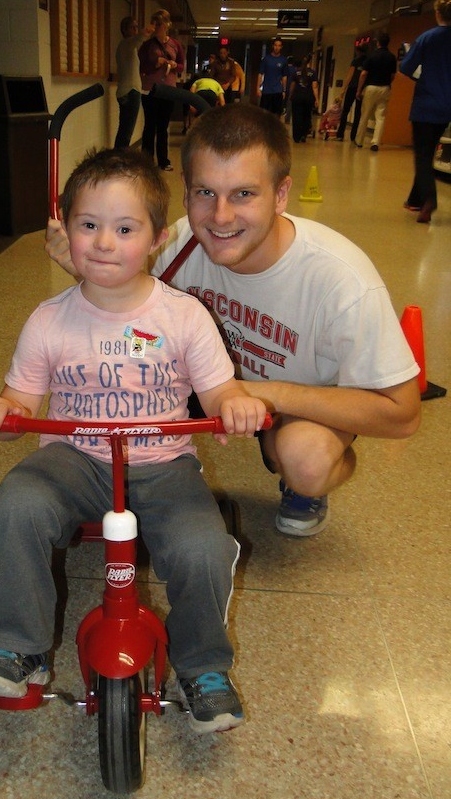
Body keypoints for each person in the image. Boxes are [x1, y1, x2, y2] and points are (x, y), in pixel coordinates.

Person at [0, 147, 267, 736]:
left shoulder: (184, 316)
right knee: (19, 503)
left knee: (204, 548)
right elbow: (20, 403)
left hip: (163, 463)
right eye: (88, 225)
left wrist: (237, 407)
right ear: (64, 229)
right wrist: (0, 411)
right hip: (75, 456)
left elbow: (221, 390)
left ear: (158, 237)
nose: (104, 242)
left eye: (125, 229)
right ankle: (15, 648)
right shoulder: (48, 319)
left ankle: (203, 669)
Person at [45, 106, 421, 539]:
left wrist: (264, 394)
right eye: (206, 192)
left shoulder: (342, 280)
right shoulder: (178, 242)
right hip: (199, 389)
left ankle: (305, 487)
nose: (220, 217)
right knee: (116, 370)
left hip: (293, 408)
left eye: (244, 194)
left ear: (281, 195)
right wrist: (82, 266)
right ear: (185, 191)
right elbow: (125, 320)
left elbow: (403, 415)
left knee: (308, 460)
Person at [399, 0, 451, 224]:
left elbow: (406, 67)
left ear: (438, 13)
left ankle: (429, 199)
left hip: (426, 105)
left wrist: (424, 78)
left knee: (422, 155)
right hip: (446, 107)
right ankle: (415, 199)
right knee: (429, 152)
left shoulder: (427, 38)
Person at [138, 10, 184, 171]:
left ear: (166, 25)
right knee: (149, 125)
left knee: (163, 126)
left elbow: (181, 66)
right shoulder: (147, 46)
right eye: (154, 23)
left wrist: (172, 65)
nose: (156, 27)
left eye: (159, 23)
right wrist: (156, 64)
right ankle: (147, 161)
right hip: (150, 89)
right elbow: (142, 66)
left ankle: (163, 160)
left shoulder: (175, 44)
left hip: (168, 90)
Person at [113, 15, 153, 149]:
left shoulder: (129, 47)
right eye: (132, 27)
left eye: (137, 27)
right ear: (124, 30)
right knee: (126, 132)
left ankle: (118, 159)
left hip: (129, 91)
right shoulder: (126, 44)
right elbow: (137, 39)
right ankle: (118, 161)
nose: (135, 30)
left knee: (124, 130)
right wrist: (144, 33)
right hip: (130, 92)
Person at [354, 32, 397, 151]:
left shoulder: (371, 56)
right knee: (380, 117)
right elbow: (393, 75)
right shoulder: (392, 57)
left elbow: (363, 74)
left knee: (365, 114)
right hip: (385, 87)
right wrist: (388, 84)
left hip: (371, 87)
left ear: (378, 43)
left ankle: (359, 141)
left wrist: (359, 90)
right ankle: (375, 142)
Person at [336, 41, 369, 142]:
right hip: (363, 89)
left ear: (358, 51)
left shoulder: (355, 61)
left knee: (345, 111)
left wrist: (343, 90)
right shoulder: (368, 61)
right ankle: (353, 136)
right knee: (358, 113)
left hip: (352, 88)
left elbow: (350, 76)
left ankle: (340, 134)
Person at [289, 56, 319, 143]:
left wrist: (290, 95)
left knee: (296, 117)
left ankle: (296, 136)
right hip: (308, 98)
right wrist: (317, 99)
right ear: (310, 62)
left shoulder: (296, 72)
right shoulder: (313, 73)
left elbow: (292, 86)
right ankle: (303, 134)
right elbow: (315, 87)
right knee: (306, 116)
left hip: (297, 97)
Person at [257, 38, 287, 116]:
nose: (277, 47)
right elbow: (260, 74)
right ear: (273, 46)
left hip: (277, 90)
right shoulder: (266, 59)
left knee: (277, 113)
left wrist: (284, 90)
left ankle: (275, 128)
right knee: (264, 113)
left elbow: (284, 76)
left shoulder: (283, 60)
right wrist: (258, 88)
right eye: (275, 45)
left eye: (279, 46)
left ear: (281, 47)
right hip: (267, 90)